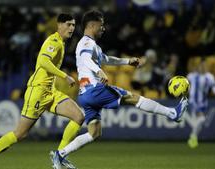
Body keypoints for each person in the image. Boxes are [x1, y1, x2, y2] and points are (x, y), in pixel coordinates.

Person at [49, 10, 189, 169]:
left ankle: (60, 155)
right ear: (93, 25)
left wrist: (127, 61)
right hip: (95, 89)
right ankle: (173, 113)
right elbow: (86, 58)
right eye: (101, 25)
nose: (103, 28)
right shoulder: (87, 43)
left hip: (85, 94)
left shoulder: (91, 44)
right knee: (133, 98)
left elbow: (107, 59)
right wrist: (98, 71)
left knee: (94, 133)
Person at [0, 13, 84, 169]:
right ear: (59, 25)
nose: (72, 28)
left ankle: (59, 156)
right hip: (38, 92)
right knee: (20, 134)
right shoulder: (53, 41)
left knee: (78, 116)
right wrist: (64, 76)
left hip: (50, 91)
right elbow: (42, 61)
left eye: (73, 25)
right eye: (68, 24)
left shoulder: (61, 42)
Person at [187, 60, 215, 148]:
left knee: (198, 123)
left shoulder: (209, 76)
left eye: (204, 66)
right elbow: (186, 84)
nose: (202, 67)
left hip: (204, 102)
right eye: (201, 65)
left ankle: (193, 138)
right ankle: (192, 136)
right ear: (198, 67)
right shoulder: (192, 76)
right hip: (193, 101)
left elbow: (214, 86)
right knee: (201, 119)